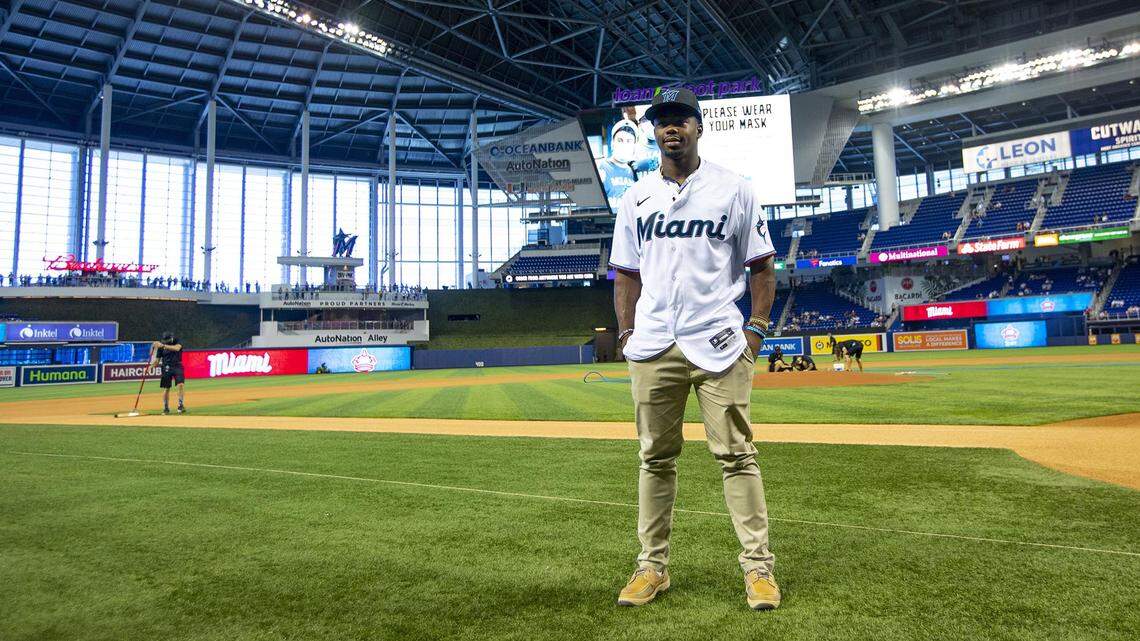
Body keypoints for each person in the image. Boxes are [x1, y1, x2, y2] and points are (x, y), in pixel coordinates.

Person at [610, 87, 781, 611]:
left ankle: (758, 569)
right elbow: (625, 275)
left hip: (720, 341)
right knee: (654, 459)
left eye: (681, 118)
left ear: (698, 126)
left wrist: (753, 334)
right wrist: (625, 335)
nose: (671, 128)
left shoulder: (733, 189)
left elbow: (763, 267)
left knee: (736, 456)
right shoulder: (635, 196)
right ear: (654, 131)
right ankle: (651, 568)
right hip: (654, 342)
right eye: (662, 121)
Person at [150, 331, 186, 414]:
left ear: (171, 338)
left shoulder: (177, 341)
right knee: (166, 388)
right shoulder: (161, 346)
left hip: (177, 365)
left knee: (181, 384)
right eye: (164, 340)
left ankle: (180, 405)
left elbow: (177, 348)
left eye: (167, 340)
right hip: (166, 367)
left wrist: (163, 346)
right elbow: (157, 361)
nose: (165, 341)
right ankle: (166, 408)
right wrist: (150, 367)